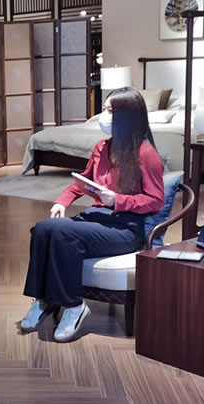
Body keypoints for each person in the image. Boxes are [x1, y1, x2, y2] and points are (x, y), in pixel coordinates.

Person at [20, 87, 164, 343]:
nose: (103, 116)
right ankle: (43, 300)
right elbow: (83, 182)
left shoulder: (146, 154)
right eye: (105, 110)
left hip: (125, 228)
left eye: (110, 111)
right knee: (43, 229)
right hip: (97, 218)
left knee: (64, 234)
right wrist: (62, 201)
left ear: (128, 116)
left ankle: (74, 305)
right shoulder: (102, 147)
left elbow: (155, 200)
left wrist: (118, 200)